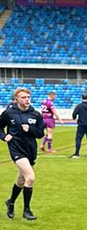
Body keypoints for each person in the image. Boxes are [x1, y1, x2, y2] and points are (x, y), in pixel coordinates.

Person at [2, 86, 45, 221]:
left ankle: (11, 202)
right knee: (30, 177)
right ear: (16, 99)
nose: (27, 100)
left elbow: (40, 134)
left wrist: (30, 129)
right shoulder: (9, 113)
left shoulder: (36, 114)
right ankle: (27, 210)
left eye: (28, 97)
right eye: (23, 97)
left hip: (30, 150)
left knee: (21, 180)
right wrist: (4, 136)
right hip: (16, 149)